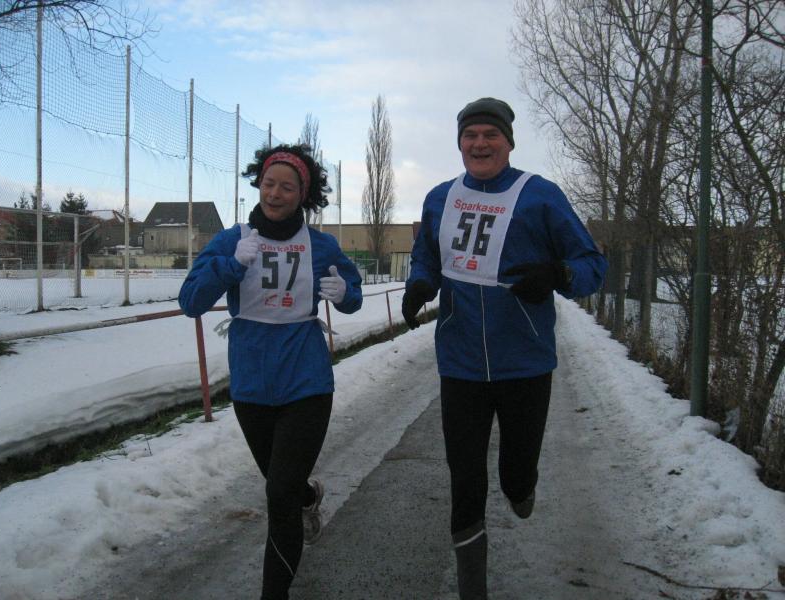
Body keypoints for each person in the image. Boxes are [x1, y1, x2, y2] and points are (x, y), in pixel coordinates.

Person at [402, 98, 607, 599]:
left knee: (515, 476)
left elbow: (592, 265)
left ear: (508, 142)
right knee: (465, 479)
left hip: (525, 363)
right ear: (459, 143)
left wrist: (558, 274)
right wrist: (420, 283)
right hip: (460, 363)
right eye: (470, 135)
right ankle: (473, 590)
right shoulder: (439, 199)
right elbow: (426, 256)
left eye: (490, 135)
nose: (480, 144)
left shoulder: (540, 196)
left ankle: (521, 486)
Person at [179, 143, 362, 600]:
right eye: (268, 184)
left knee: (278, 495)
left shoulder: (321, 245)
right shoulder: (233, 240)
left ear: (303, 195)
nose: (275, 194)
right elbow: (191, 301)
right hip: (252, 385)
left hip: (307, 382)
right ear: (258, 186)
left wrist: (344, 293)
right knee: (284, 488)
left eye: (287, 187)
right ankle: (307, 497)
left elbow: (354, 295)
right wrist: (231, 266)